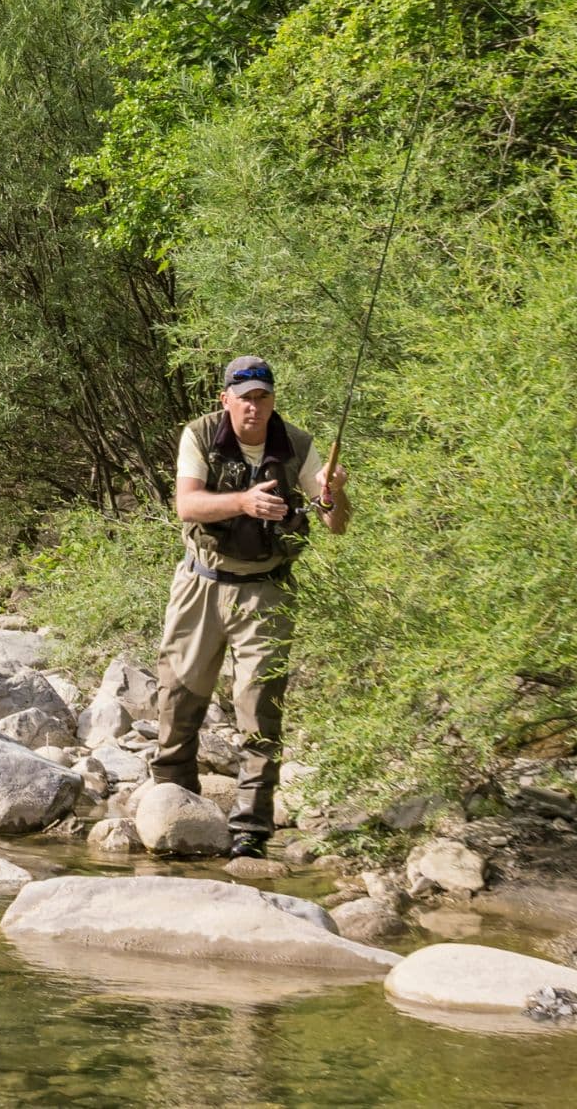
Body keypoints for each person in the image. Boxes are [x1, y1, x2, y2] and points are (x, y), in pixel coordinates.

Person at [150, 355, 351, 859]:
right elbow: (187, 506)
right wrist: (243, 502)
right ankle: (174, 800)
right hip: (200, 582)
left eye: (263, 397)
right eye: (245, 399)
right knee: (179, 693)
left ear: (273, 399)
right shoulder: (200, 435)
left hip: (266, 589)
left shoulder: (298, 446)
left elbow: (336, 524)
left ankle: (251, 831)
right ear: (226, 400)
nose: (254, 408)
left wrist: (336, 492)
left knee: (261, 705)